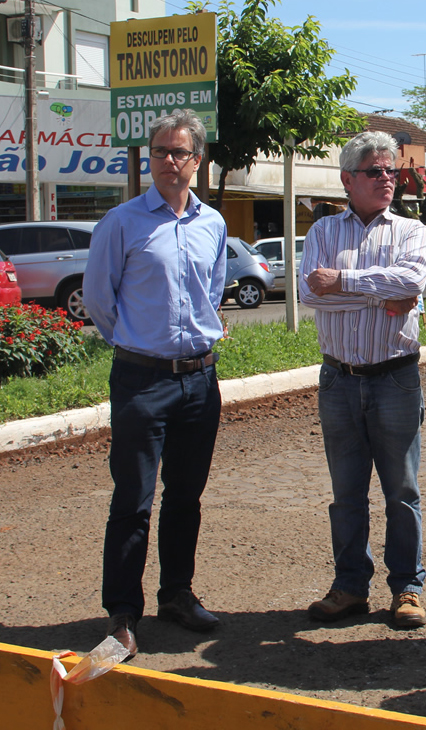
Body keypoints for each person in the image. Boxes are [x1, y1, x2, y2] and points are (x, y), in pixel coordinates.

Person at [84, 110, 228, 660]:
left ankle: (177, 595)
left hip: (200, 381)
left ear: (197, 160)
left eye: (180, 152)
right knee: (133, 500)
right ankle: (122, 613)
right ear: (150, 158)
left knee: (186, 496)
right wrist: (137, 344)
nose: (169, 161)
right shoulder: (121, 222)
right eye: (161, 151)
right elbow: (100, 300)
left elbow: (212, 291)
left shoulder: (213, 224)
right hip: (141, 379)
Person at [299, 131, 426, 629]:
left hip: (395, 378)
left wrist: (344, 282)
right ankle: (350, 586)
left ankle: (407, 589)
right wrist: (383, 295)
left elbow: (412, 282)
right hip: (339, 380)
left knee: (402, 491)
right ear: (347, 179)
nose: (386, 179)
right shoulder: (322, 231)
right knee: (347, 493)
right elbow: (309, 294)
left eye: (391, 171)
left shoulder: (411, 230)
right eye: (375, 171)